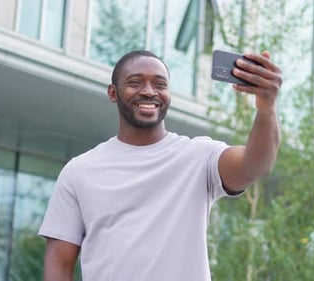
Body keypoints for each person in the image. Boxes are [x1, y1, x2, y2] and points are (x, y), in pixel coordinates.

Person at [38, 49, 282, 281]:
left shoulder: (198, 157)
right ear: (113, 93)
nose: (149, 91)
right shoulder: (79, 171)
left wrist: (266, 109)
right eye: (135, 82)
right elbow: (60, 265)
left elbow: (255, 165)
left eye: (159, 84)